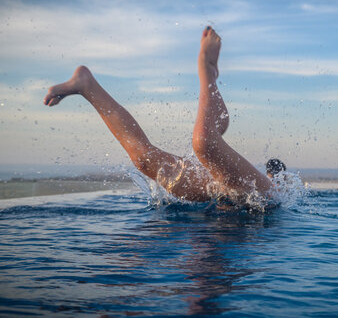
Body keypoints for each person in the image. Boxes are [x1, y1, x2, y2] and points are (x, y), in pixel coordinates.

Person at [43, 26, 273, 204]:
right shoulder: (265, 190)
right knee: (204, 143)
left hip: (221, 204)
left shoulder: (278, 195)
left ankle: (88, 86)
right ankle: (208, 70)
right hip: (243, 197)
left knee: (143, 160)